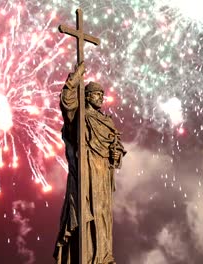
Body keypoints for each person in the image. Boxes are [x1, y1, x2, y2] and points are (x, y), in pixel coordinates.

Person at [54, 62, 126, 264]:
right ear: (86, 96)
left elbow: (117, 148)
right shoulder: (80, 117)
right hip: (86, 172)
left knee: (102, 216)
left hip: (102, 174)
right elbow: (67, 103)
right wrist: (75, 78)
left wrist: (115, 154)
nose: (101, 98)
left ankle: (102, 256)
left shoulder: (107, 122)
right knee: (86, 212)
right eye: (96, 94)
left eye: (102, 95)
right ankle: (85, 256)